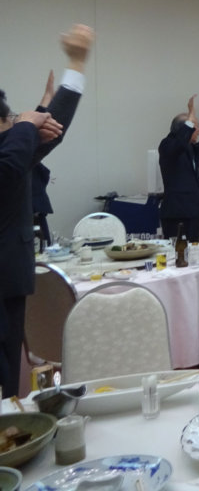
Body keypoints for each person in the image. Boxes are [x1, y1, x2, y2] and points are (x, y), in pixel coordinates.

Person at [0, 23, 93, 397]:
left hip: (10, 283)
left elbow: (52, 129)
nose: (14, 126)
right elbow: (10, 164)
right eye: (8, 121)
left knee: (8, 378)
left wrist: (76, 64)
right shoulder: (9, 158)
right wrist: (25, 123)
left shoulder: (12, 148)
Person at [158, 94, 199, 242]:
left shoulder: (191, 148)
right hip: (176, 211)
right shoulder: (167, 145)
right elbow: (179, 144)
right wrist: (191, 114)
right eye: (195, 126)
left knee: (193, 248)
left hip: (193, 209)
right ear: (183, 129)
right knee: (176, 250)